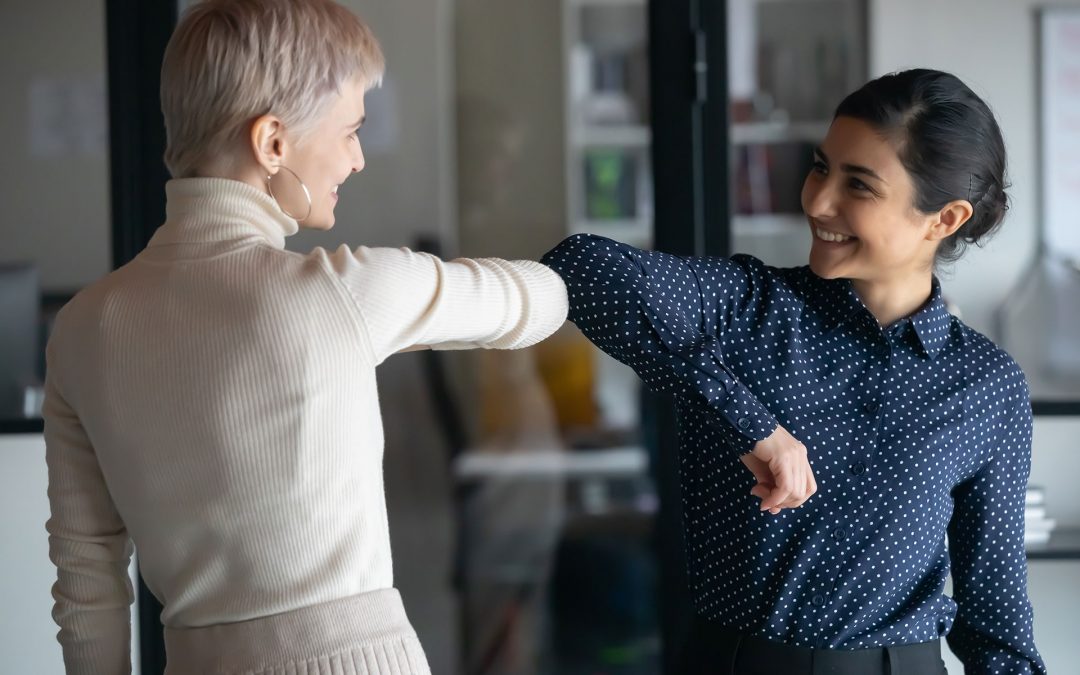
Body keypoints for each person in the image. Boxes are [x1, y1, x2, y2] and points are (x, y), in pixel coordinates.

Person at [42, 1, 567, 673]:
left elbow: (87, 575)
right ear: (273, 144)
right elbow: (542, 301)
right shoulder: (347, 293)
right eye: (350, 130)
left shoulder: (84, 327)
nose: (356, 159)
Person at [543, 69, 1045, 674]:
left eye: (858, 185)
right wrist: (752, 425)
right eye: (820, 167)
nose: (817, 200)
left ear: (945, 219)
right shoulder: (745, 306)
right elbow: (583, 267)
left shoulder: (987, 386)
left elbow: (998, 625)